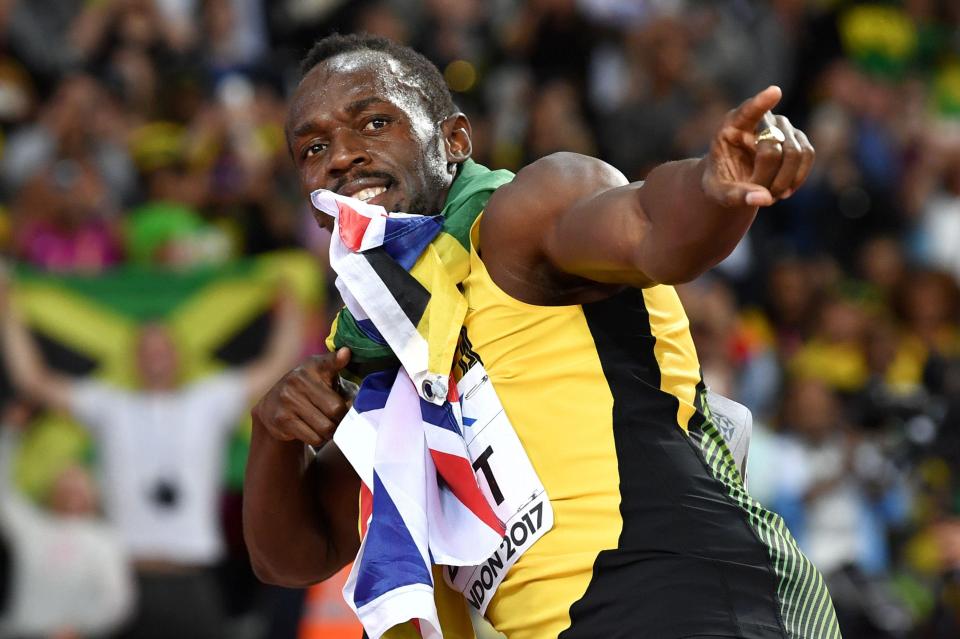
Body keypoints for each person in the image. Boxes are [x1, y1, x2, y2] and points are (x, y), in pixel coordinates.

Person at [243, 33, 840, 639]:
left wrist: (714, 186)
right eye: (314, 148)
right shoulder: (389, 364)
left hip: (693, 596)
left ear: (454, 141)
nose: (342, 156)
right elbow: (294, 556)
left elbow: (651, 225)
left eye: (373, 122)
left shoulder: (521, 218)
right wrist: (272, 431)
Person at [0, 273, 305, 639]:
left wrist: (292, 304)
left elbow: (275, 367)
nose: (155, 355)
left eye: (163, 347)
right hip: (122, 582)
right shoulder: (110, 405)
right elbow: (34, 381)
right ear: (133, 358)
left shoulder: (208, 401)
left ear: (179, 355)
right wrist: (7, 311)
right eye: (146, 348)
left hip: (193, 580)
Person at [0, 398, 134, 639]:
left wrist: (78, 628)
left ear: (93, 494)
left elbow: (117, 600)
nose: (73, 491)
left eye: (79, 484)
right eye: (66, 483)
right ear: (51, 491)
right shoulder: (32, 527)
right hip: (25, 631)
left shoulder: (106, 538)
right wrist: (9, 435)